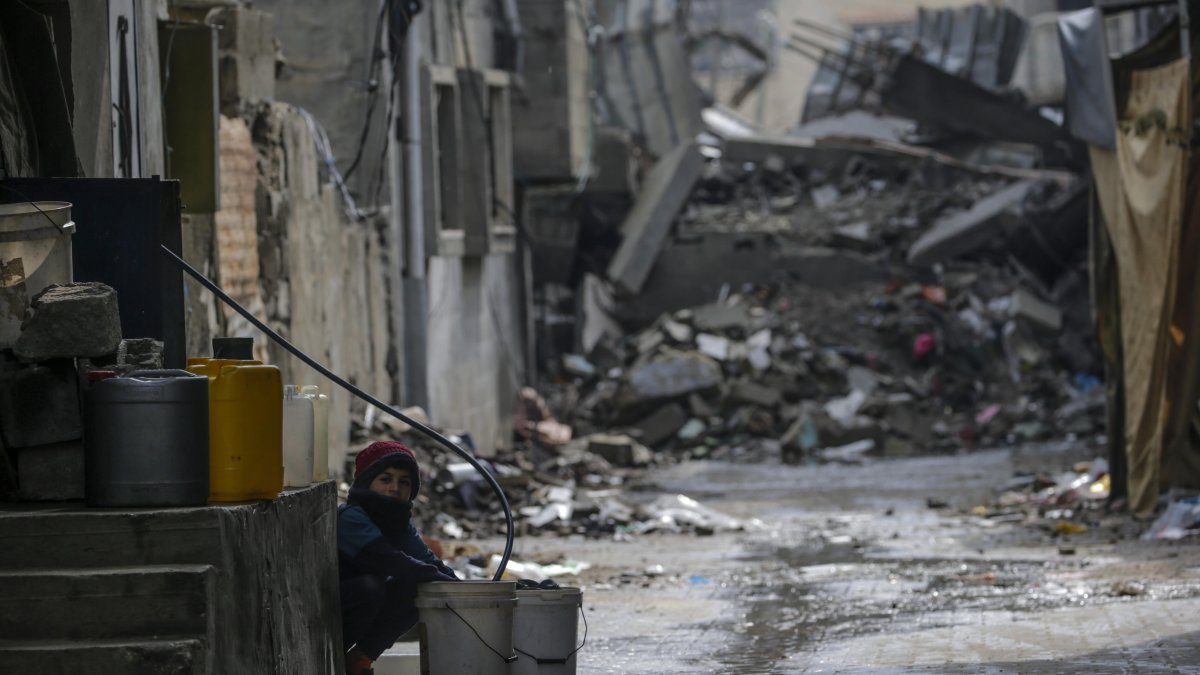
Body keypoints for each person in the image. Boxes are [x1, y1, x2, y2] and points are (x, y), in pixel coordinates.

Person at [338, 440, 459, 675]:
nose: (395, 488)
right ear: (367, 482)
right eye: (386, 479)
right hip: (333, 609)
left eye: (404, 482)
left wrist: (466, 593)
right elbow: (393, 561)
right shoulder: (350, 518)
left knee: (418, 585)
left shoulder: (399, 524)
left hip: (367, 607)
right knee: (371, 587)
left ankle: (360, 658)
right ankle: (337, 651)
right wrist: (440, 578)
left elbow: (430, 563)